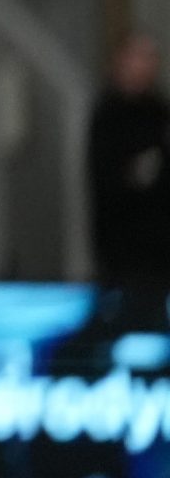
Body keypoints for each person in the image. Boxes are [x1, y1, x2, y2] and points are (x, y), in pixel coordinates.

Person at [86, 33, 170, 288]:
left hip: (161, 242)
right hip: (121, 243)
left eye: (150, 58)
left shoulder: (159, 111)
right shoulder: (107, 115)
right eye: (138, 57)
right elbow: (109, 180)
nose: (145, 65)